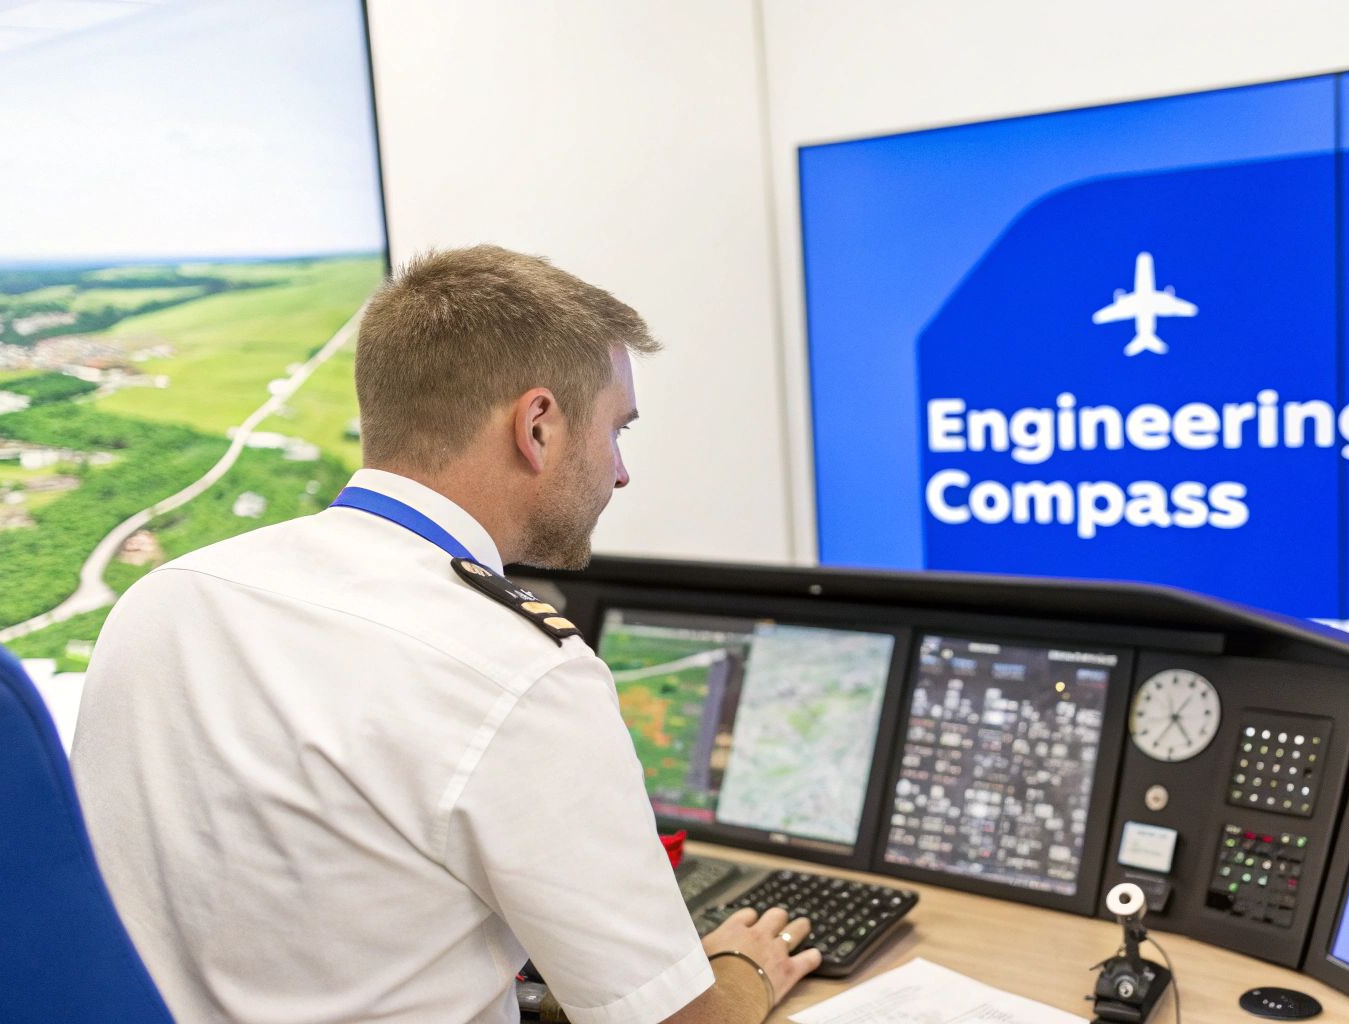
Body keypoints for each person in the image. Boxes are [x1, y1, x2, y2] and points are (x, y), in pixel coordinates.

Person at [72, 246, 819, 1024]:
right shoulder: (514, 671)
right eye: (615, 430)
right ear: (537, 426)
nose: (620, 471)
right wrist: (741, 969)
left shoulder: (167, 598)